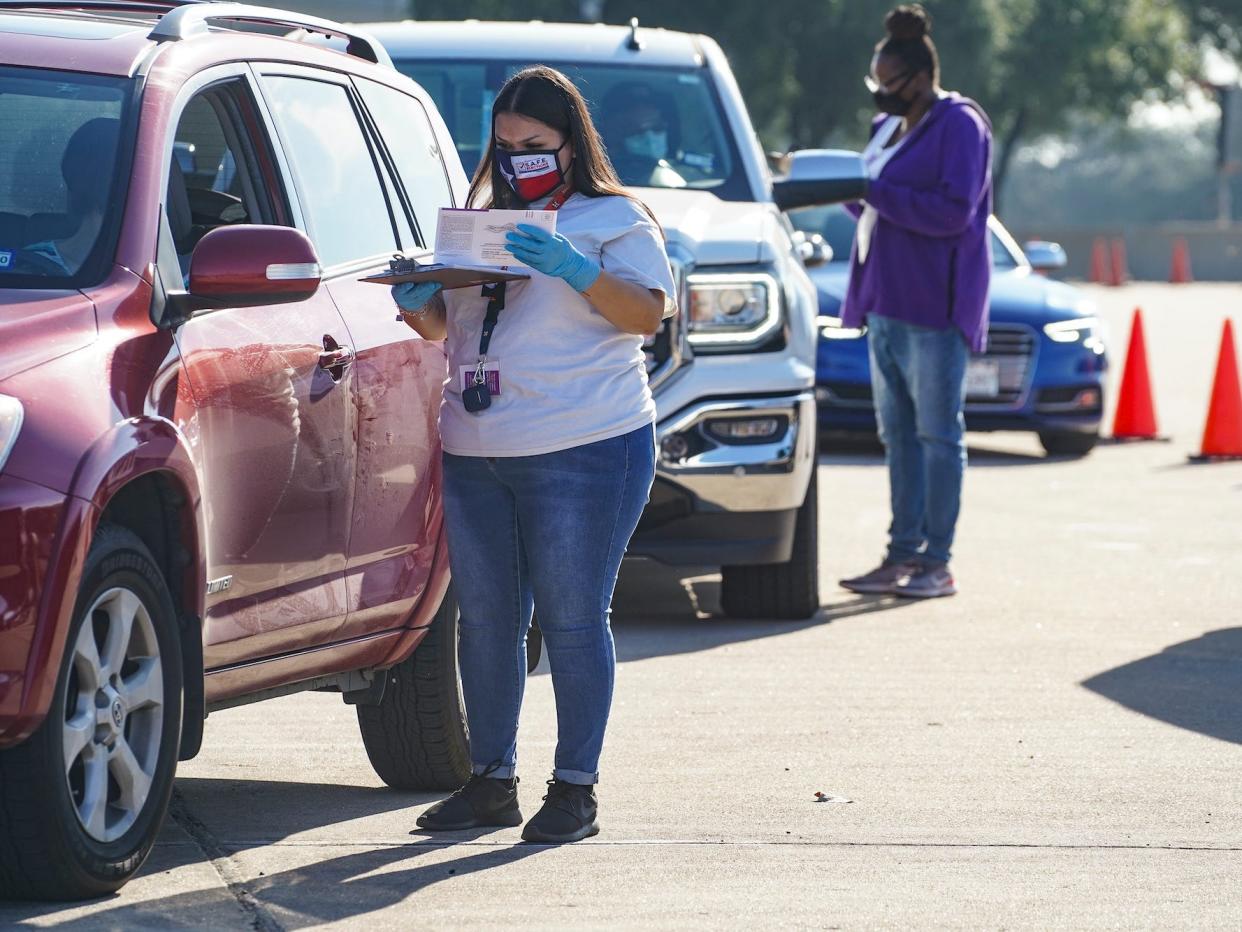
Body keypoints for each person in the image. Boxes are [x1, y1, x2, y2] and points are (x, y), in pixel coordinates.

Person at [390, 65, 676, 843]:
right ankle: (490, 782)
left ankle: (574, 791)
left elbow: (647, 313)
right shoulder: (477, 223)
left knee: (575, 620)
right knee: (486, 623)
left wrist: (576, 271)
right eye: (507, 145)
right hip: (477, 446)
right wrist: (417, 301)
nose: (520, 159)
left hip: (586, 445)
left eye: (537, 145)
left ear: (571, 145)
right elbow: (442, 329)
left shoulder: (613, 219)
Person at [837, 4, 993, 599]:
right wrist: (840, 185)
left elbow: (954, 212)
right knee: (897, 436)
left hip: (934, 309)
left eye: (888, 83)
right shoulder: (884, 129)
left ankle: (937, 562)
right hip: (884, 303)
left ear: (920, 78)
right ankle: (900, 554)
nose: (880, 94)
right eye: (874, 83)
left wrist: (875, 189)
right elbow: (874, 201)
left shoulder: (960, 125)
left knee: (936, 435)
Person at [599, 82, 686, 189]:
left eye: (657, 128)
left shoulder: (695, 179)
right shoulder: (596, 180)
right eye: (636, 131)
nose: (650, 138)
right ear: (612, 133)